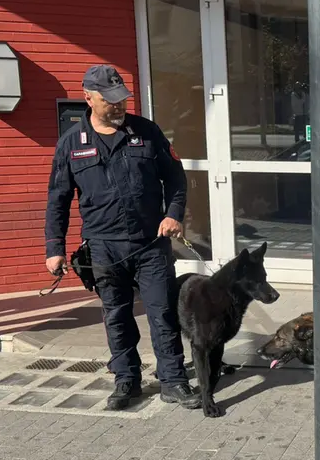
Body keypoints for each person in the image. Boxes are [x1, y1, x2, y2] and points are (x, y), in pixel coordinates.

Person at [44, 65, 200, 411]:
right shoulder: (71, 144)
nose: (119, 106)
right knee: (116, 315)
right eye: (109, 101)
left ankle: (173, 380)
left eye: (122, 99)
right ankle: (126, 380)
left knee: (162, 314)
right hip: (103, 247)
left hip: (150, 244)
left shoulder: (146, 132)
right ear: (88, 98)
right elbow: (58, 198)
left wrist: (173, 214)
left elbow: (175, 177)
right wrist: (54, 248)